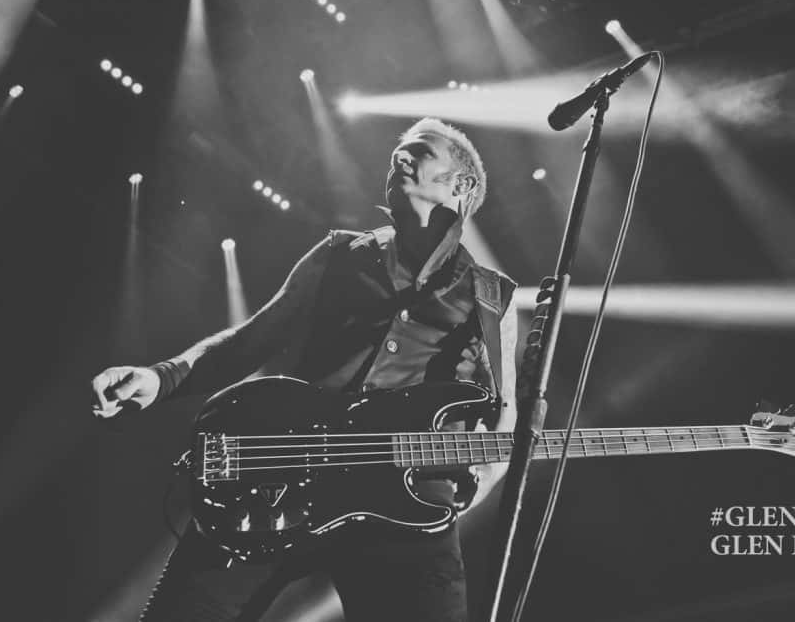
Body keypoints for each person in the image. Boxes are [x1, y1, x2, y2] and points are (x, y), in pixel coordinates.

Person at [91, 117, 518, 622]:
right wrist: (161, 377)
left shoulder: (492, 296)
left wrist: (480, 482)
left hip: (406, 507)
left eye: (420, 152)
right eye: (398, 153)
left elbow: (504, 414)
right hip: (277, 482)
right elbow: (250, 341)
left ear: (461, 185)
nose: (399, 157)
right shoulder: (340, 254)